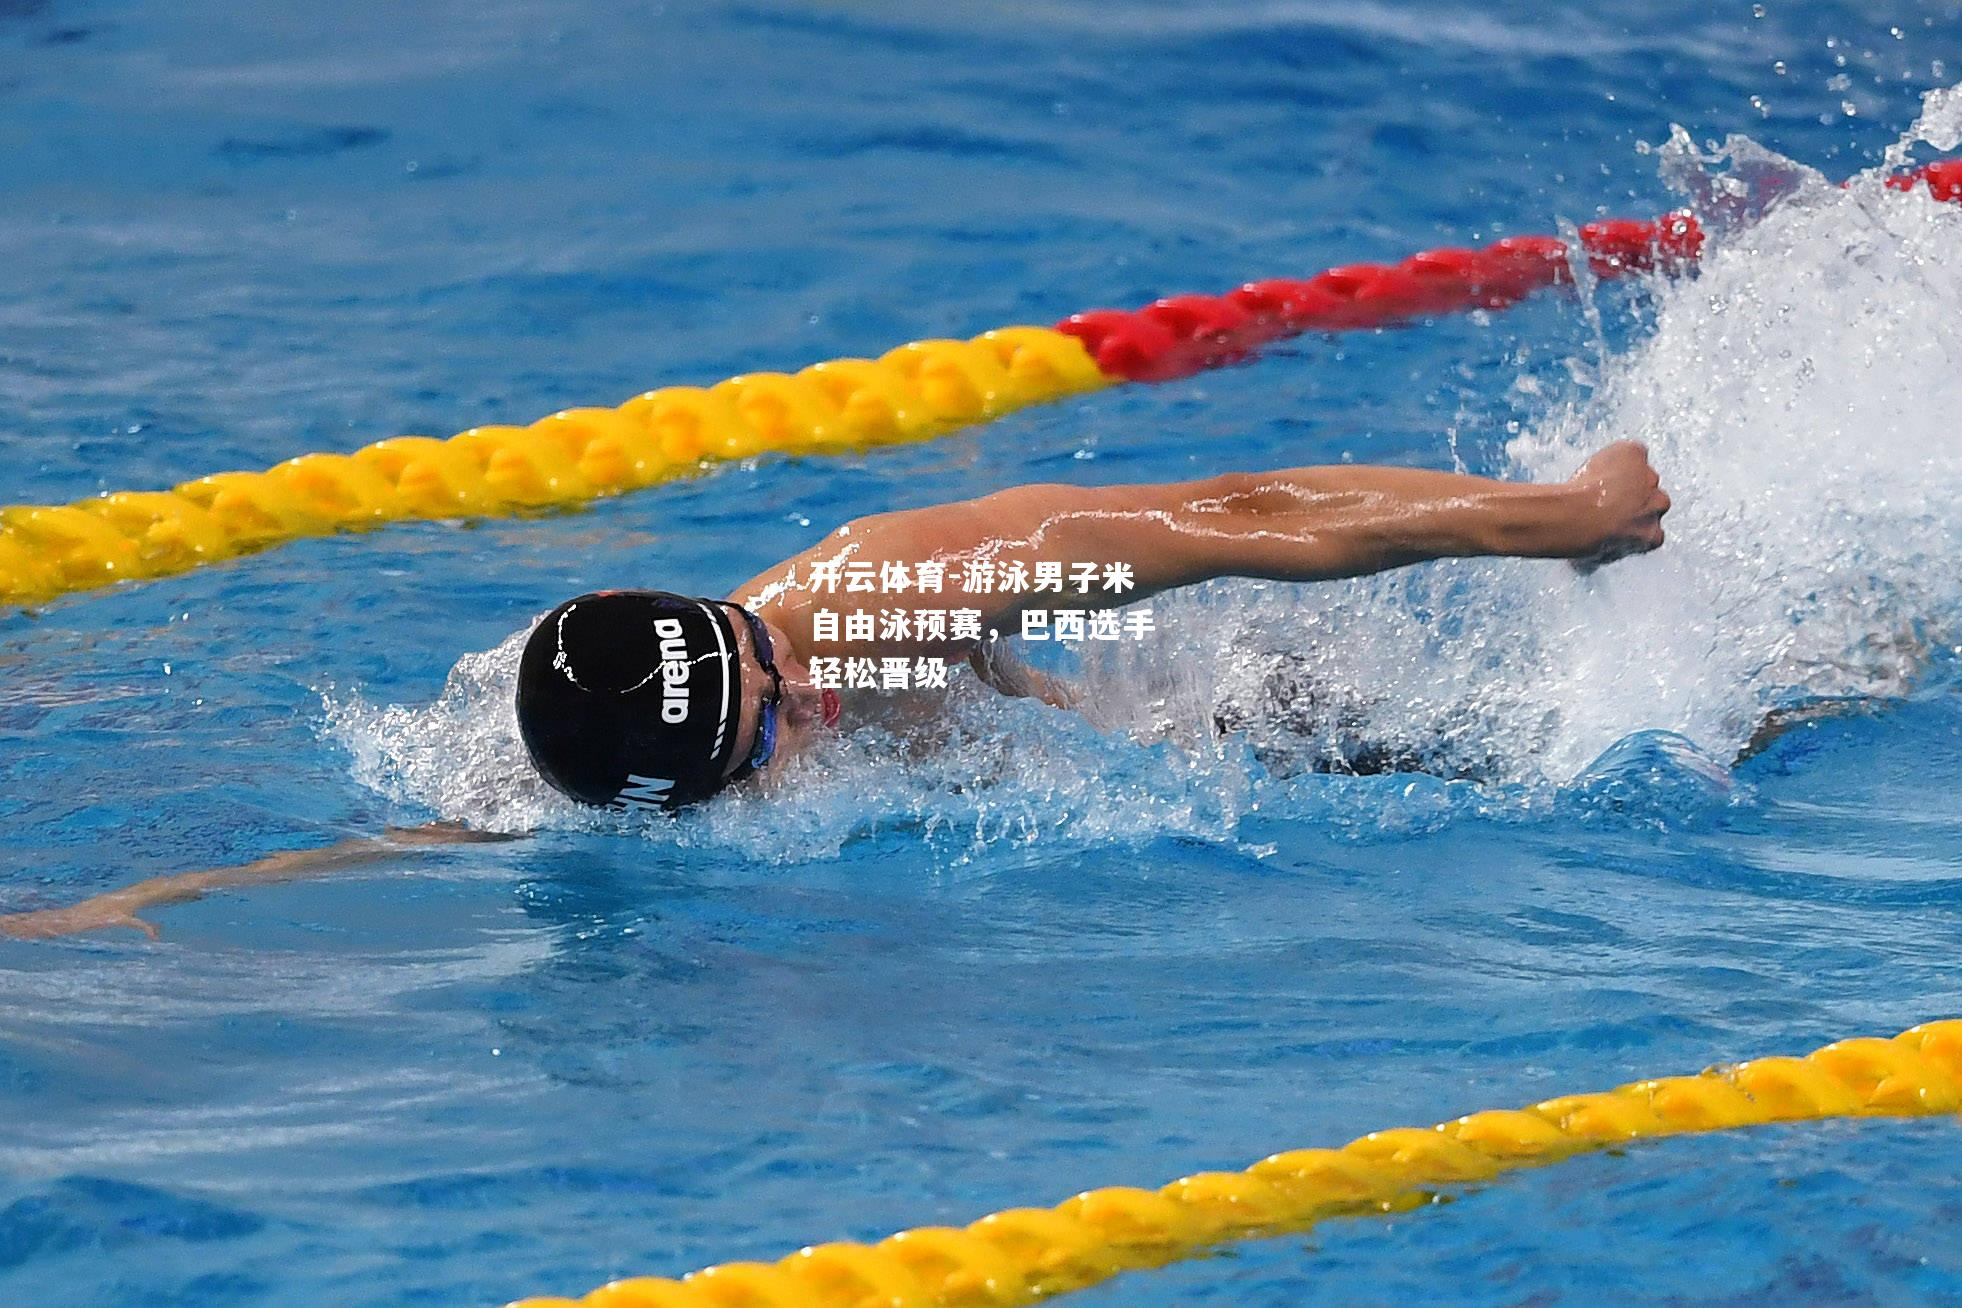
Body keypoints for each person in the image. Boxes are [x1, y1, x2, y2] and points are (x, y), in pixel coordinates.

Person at [0, 441, 1669, 941]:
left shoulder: (881, 602)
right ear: (695, 798)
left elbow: (1225, 527)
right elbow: (399, 853)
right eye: (765, 733)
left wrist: (1552, 525)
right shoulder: (577, 793)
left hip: (1219, 733)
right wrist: (124, 910)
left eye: (770, 666)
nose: (808, 700)